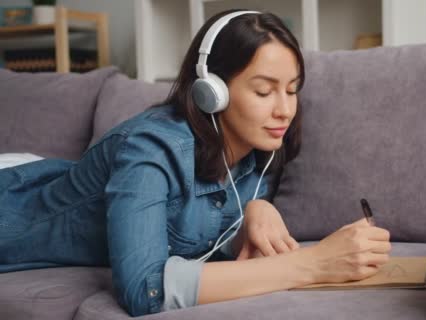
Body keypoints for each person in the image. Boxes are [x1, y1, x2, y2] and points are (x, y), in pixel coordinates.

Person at [0, 9, 391, 317]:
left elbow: (205, 247)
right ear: (211, 92)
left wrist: (255, 212)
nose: (284, 110)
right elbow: (144, 290)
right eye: (263, 90)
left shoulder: (258, 150)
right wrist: (313, 265)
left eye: (291, 91)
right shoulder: (150, 148)